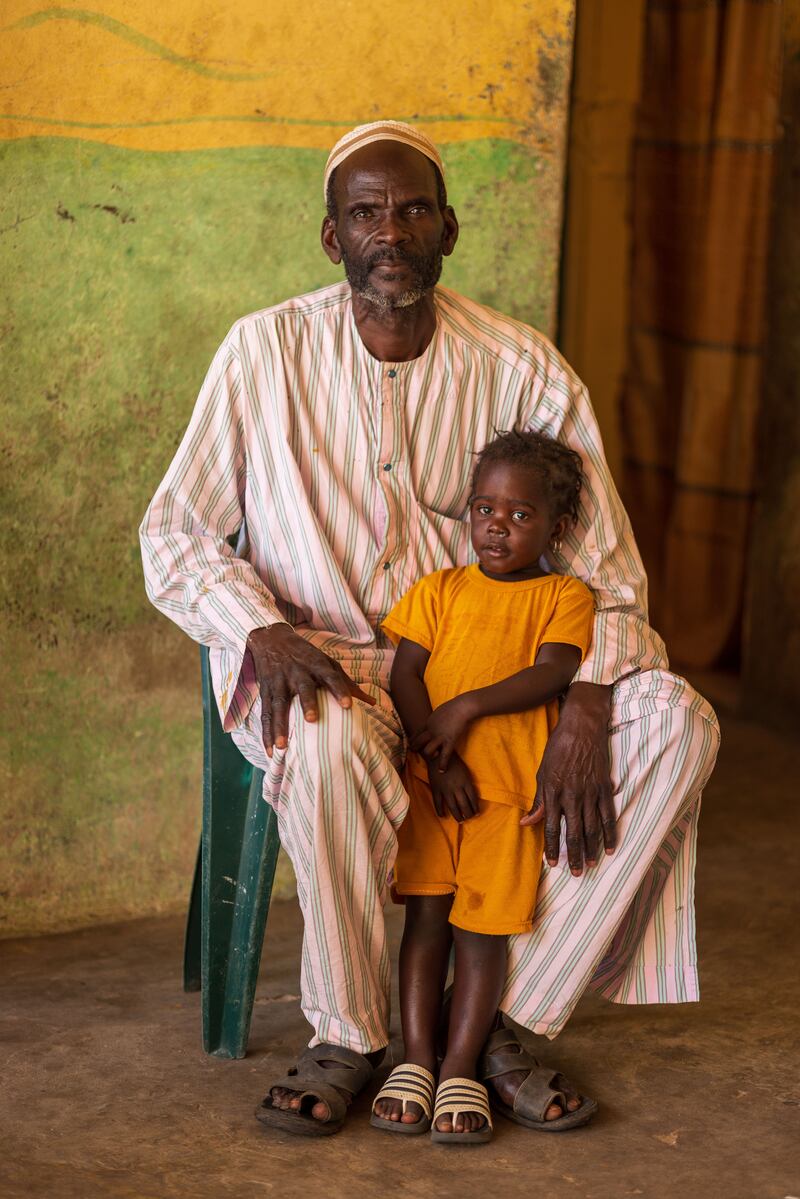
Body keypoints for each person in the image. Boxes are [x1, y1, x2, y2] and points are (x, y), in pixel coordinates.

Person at [139, 120, 720, 1138]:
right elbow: (174, 534)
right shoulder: (262, 352)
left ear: (448, 229)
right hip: (324, 666)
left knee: (679, 721)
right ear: (332, 237)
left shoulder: (523, 366)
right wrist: (258, 626)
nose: (390, 232)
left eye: (413, 210)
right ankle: (351, 1032)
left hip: (493, 688)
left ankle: (495, 1021)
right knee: (321, 735)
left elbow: (610, 577)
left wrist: (588, 698)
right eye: (365, 213)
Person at [370, 429, 595, 1143]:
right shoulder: (438, 589)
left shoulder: (564, 596)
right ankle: (416, 1060)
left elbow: (554, 671)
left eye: (521, 514)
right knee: (426, 922)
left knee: (480, 937)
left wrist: (465, 706)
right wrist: (439, 760)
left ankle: (461, 1068)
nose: (497, 525)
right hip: (434, 789)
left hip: (507, 799)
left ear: (557, 526)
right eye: (484, 508)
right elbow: (405, 674)